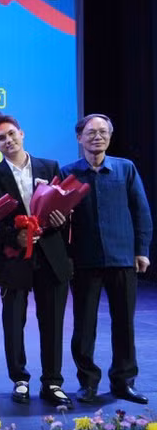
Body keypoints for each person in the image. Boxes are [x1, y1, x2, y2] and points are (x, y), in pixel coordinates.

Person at [0, 112, 73, 408]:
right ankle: (19, 379)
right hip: (13, 258)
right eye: (0, 139)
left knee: (53, 321)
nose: (8, 140)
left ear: (22, 133)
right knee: (13, 320)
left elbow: (64, 208)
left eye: (11, 134)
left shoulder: (50, 166)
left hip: (51, 255)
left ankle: (52, 382)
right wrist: (12, 236)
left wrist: (59, 219)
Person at [62, 114, 153, 404]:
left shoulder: (126, 169)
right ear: (79, 138)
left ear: (110, 137)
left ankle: (123, 381)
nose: (97, 137)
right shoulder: (68, 174)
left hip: (122, 258)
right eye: (90, 132)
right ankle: (87, 382)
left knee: (124, 323)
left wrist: (142, 250)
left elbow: (141, 211)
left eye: (103, 132)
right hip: (84, 260)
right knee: (84, 325)